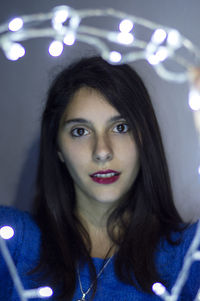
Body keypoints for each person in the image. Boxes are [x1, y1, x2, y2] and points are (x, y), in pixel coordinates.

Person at [0, 56, 199, 301]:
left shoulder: (188, 255)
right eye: (80, 131)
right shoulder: (11, 240)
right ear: (58, 148)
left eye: (121, 127)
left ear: (144, 138)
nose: (102, 150)